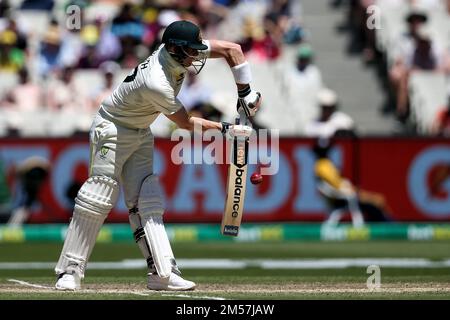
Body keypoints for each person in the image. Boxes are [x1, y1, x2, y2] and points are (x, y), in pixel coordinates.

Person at [54, 20, 262, 291]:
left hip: (140, 129)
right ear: (175, 49)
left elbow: (232, 49)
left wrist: (245, 91)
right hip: (112, 128)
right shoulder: (156, 81)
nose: (197, 56)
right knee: (98, 195)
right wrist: (227, 129)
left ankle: (162, 273)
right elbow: (186, 124)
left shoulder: (180, 51)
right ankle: (69, 271)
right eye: (192, 51)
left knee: (147, 200)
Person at [312, 138, 391, 228]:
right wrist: (349, 188)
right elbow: (335, 183)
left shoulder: (325, 164)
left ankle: (387, 223)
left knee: (375, 200)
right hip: (341, 194)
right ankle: (387, 225)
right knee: (376, 200)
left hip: (342, 193)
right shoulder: (322, 165)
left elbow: (336, 182)